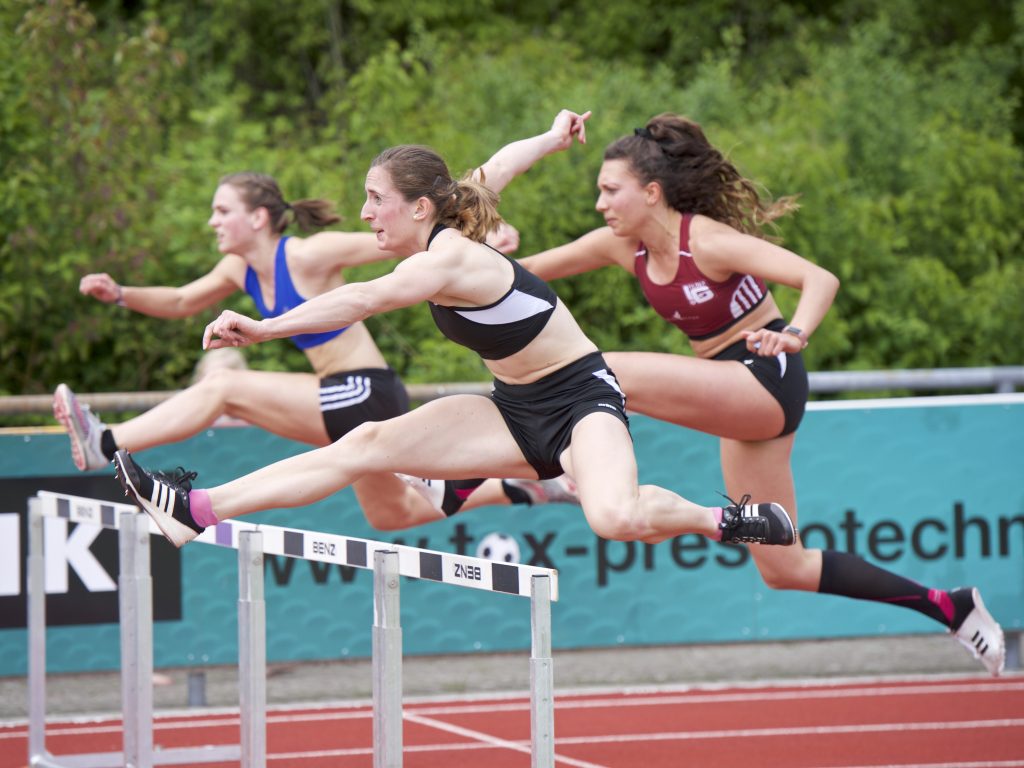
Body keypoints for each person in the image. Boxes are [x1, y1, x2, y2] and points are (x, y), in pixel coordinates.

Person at [111, 120, 798, 569]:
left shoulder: (443, 260)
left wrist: (262, 328)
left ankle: (725, 520)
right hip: (512, 404)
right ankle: (193, 511)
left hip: (583, 398)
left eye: (374, 199)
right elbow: (498, 164)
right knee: (362, 447)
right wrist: (554, 137)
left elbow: (362, 297)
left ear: (416, 208)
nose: (363, 214)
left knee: (615, 517)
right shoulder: (456, 214)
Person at [512, 113, 1005, 675]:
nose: (600, 204)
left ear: (651, 193)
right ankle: (950, 606)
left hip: (765, 376)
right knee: (784, 565)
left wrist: (793, 332)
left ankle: (557, 473)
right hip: (728, 395)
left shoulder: (709, 242)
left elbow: (821, 279)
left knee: (603, 370)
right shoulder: (620, 246)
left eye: (609, 191)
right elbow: (519, 275)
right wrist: (490, 245)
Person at [53, 165, 577, 526]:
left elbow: (390, 241)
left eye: (221, 210)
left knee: (225, 387)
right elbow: (182, 299)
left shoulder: (309, 253)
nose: (212, 221)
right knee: (391, 515)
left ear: (257, 218)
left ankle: (105, 441)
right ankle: (526, 489)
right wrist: (120, 294)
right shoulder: (238, 268)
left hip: (364, 391)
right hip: (337, 395)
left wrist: (476, 236)